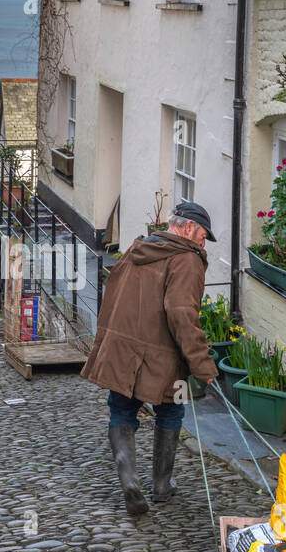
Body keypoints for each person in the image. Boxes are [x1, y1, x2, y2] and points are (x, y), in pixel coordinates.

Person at [81, 200, 220, 517]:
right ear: (186, 228)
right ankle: (161, 486)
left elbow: (112, 291)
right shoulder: (187, 260)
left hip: (122, 352)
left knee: (121, 410)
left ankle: (129, 481)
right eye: (202, 236)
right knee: (171, 411)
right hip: (166, 359)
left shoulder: (137, 248)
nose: (203, 243)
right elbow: (182, 313)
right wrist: (201, 364)